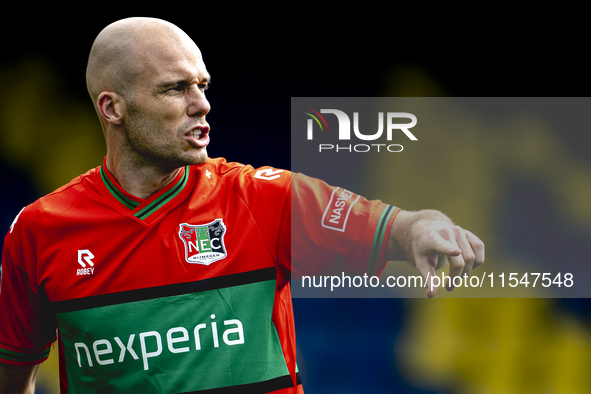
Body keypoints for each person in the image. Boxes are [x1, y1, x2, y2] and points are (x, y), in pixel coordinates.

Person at [0, 17, 485, 394]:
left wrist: (423, 228)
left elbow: (391, 224)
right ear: (112, 108)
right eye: (175, 88)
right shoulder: (39, 231)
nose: (202, 104)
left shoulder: (260, 197)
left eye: (202, 85)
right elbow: (12, 371)